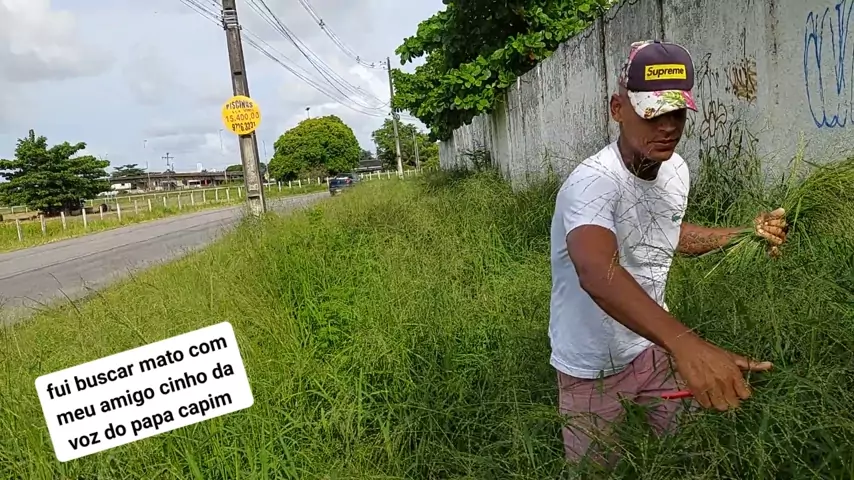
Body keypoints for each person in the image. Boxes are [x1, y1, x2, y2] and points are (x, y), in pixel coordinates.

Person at [549, 40, 788, 465]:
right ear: (618, 109)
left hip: (653, 344)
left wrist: (741, 236)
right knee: (597, 469)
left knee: (689, 455)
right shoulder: (592, 182)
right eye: (652, 113)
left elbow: (664, 234)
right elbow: (595, 269)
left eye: (676, 113)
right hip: (593, 365)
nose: (667, 127)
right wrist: (687, 344)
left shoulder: (676, 170)